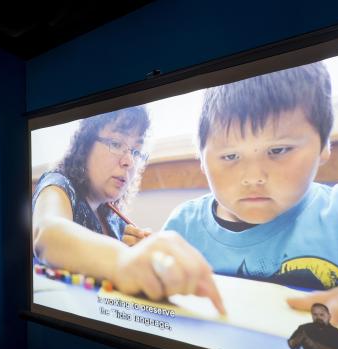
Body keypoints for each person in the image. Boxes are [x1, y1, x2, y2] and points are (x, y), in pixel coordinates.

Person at [163, 62, 338, 333]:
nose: (253, 177)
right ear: (202, 160)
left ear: (324, 145)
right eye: (230, 156)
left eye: (278, 150)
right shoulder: (183, 227)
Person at [32, 106, 224, 313]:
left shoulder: (111, 214)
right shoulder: (58, 184)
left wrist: (136, 253)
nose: (129, 161)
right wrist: (122, 259)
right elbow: (47, 232)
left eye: (136, 151)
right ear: (84, 145)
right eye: (116, 144)